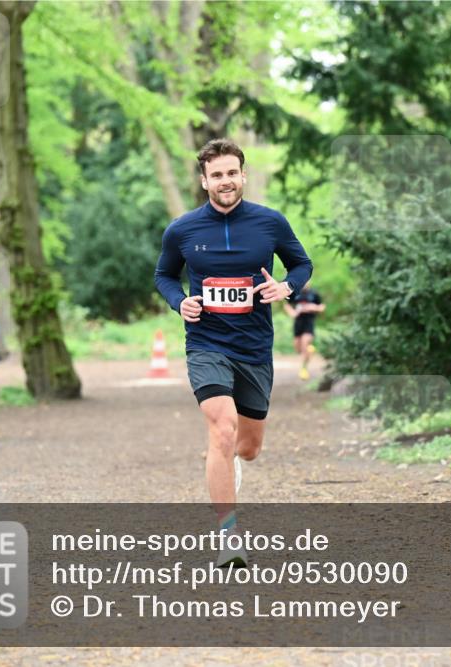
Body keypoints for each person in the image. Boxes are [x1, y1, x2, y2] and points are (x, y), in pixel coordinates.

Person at [154, 138, 312, 567]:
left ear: (243, 175)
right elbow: (164, 275)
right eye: (216, 175)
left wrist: (286, 287)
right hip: (206, 342)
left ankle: (231, 465)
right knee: (221, 429)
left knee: (248, 447)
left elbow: (301, 265)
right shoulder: (183, 229)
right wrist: (179, 301)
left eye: (231, 173)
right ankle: (229, 537)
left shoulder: (270, 223)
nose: (225, 181)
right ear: (204, 181)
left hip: (255, 347)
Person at [283, 282, 325, 380]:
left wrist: (314, 307)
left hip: (309, 323)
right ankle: (309, 350)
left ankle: (304, 369)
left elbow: (322, 306)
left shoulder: (314, 294)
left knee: (304, 343)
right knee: (299, 349)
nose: (305, 283)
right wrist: (292, 313)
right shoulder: (295, 293)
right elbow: (287, 305)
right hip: (298, 323)